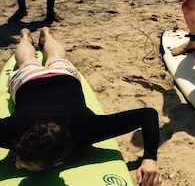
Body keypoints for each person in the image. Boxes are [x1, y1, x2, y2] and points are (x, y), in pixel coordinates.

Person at [0, 28, 161, 185]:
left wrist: (150, 160)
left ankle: (32, 36)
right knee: (32, 61)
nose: (18, 164)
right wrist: (150, 158)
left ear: (57, 162)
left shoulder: (85, 130)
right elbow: (148, 114)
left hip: (51, 78)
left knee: (34, 61)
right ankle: (34, 35)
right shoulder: (15, 131)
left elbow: (148, 114)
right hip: (38, 80)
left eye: (23, 161)